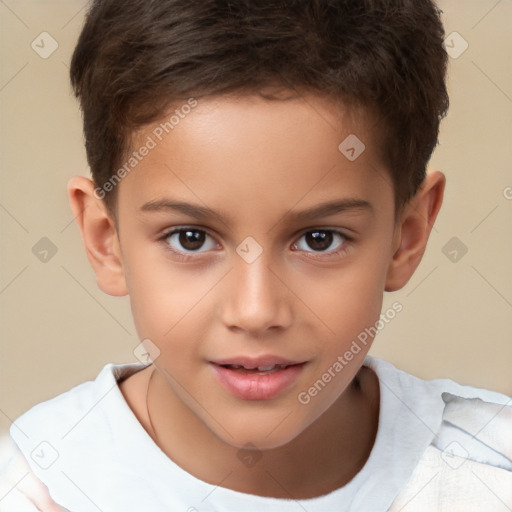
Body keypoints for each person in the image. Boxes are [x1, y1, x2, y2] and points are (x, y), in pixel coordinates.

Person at [1, 0, 510, 510]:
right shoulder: (35, 490)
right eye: (191, 238)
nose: (256, 311)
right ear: (104, 239)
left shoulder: (489, 474)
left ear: (408, 234)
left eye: (319, 239)